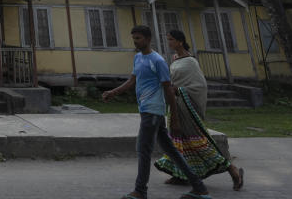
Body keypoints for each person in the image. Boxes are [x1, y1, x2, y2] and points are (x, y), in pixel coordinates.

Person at [102, 25, 211, 199]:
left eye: (138, 38)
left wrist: (174, 118)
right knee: (172, 150)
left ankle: (140, 191)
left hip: (154, 111)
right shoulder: (138, 58)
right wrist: (113, 92)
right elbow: (132, 80)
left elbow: (168, 90)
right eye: (134, 39)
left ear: (148, 39)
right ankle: (199, 188)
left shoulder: (158, 61)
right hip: (146, 109)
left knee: (143, 149)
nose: (136, 42)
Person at [156, 29, 244, 191]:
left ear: (180, 41)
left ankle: (232, 170)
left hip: (187, 105)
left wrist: (179, 90)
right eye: (167, 39)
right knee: (178, 141)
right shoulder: (174, 59)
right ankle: (181, 175)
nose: (168, 43)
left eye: (171, 40)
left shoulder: (190, 61)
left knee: (197, 142)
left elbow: (199, 86)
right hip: (175, 104)